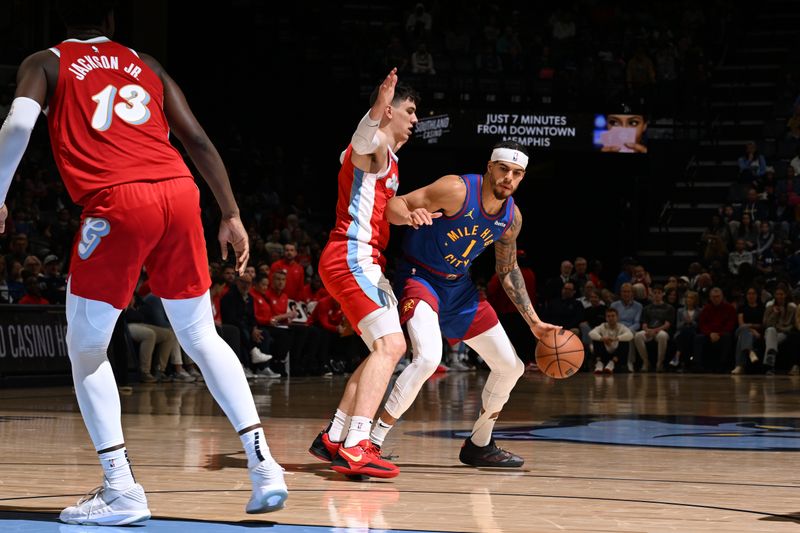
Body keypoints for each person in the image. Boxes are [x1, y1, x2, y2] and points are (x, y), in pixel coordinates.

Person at [0, 1, 286, 524]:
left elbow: (18, 126)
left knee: (86, 349)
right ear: (110, 23)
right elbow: (196, 139)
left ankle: (121, 489)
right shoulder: (145, 62)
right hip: (179, 193)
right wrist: (231, 212)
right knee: (201, 336)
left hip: (116, 201)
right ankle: (265, 466)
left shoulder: (44, 62)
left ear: (60, 20)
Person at [312, 141, 558, 468]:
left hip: (460, 289)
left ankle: (479, 444)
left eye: (516, 173)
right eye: (503, 169)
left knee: (510, 366)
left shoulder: (511, 218)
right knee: (429, 357)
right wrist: (411, 214)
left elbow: (508, 268)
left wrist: (534, 322)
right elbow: (393, 205)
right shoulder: (455, 189)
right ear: (489, 167)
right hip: (420, 277)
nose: (508, 178)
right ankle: (370, 441)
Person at [308, 68, 431, 479]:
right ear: (391, 111)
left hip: (363, 260)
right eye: (410, 110)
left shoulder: (392, 163)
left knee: (382, 349)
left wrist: (409, 213)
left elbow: (389, 207)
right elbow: (362, 141)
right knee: (392, 346)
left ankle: (337, 434)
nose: (415, 120)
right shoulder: (376, 143)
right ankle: (359, 444)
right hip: (352, 255)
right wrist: (378, 106)